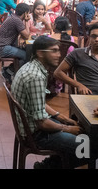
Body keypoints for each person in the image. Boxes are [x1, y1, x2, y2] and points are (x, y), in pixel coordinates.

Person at [11, 36, 87, 169]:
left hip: (32, 126)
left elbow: (39, 103)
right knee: (86, 147)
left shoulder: (31, 67)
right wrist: (67, 128)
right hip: (36, 134)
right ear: (40, 53)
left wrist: (62, 118)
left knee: (79, 132)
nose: (59, 55)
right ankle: (54, 166)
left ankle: (49, 165)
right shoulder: (35, 77)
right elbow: (41, 122)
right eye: (54, 51)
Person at [54, 22, 98, 95]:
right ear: (89, 38)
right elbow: (57, 73)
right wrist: (78, 85)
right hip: (85, 97)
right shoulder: (77, 53)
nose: (97, 39)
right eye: (93, 36)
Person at [0, 3, 31, 81]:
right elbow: (26, 36)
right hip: (3, 48)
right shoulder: (17, 20)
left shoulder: (13, 17)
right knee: (27, 56)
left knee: (25, 52)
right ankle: (9, 72)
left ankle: (8, 70)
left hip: (0, 46)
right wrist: (27, 21)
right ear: (25, 13)